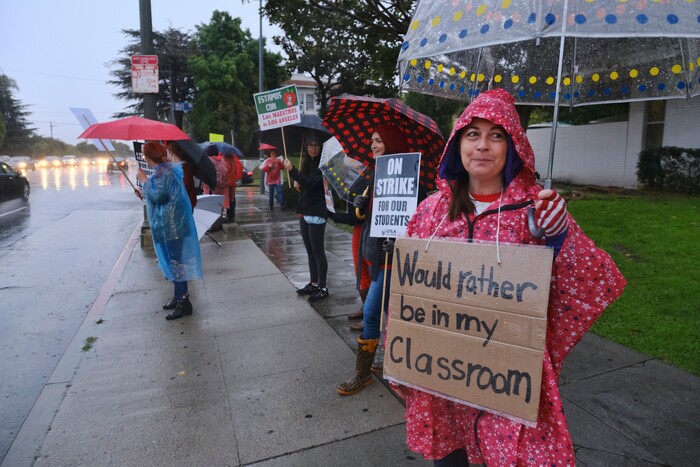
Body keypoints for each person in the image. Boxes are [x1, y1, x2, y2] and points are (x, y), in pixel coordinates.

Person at [396, 89, 626, 465]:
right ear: (458, 144)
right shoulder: (431, 212)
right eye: (473, 134)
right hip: (443, 378)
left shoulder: (536, 210)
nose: (482, 146)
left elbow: (592, 281)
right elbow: (408, 298)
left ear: (513, 146)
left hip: (504, 381)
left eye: (496, 135)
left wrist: (561, 239)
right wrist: (401, 354)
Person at [336, 124, 411, 395]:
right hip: (375, 257)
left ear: (391, 143)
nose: (373, 146)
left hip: (393, 260)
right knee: (385, 313)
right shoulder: (374, 175)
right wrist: (360, 206)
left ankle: (362, 373)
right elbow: (370, 219)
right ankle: (385, 362)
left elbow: (413, 218)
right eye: (371, 142)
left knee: (371, 312)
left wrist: (401, 238)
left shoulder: (408, 178)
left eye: (378, 141)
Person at [135, 142, 203, 321]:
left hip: (172, 226)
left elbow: (158, 196)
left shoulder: (163, 172)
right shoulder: (165, 171)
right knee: (175, 261)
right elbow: (158, 195)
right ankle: (178, 297)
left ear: (149, 157)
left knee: (176, 263)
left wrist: (143, 181)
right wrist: (144, 191)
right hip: (171, 224)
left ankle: (183, 301)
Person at [282, 135, 328, 303]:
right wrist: (297, 183)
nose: (313, 148)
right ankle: (314, 283)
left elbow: (311, 182)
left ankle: (323, 287)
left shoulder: (322, 165)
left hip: (317, 212)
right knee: (310, 251)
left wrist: (293, 171)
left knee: (318, 252)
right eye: (310, 145)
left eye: (316, 145)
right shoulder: (306, 163)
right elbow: (305, 183)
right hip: (304, 211)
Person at [165, 141, 197, 211]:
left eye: (167, 152)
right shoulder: (184, 168)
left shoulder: (182, 170)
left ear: (171, 152)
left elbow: (181, 190)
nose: (166, 155)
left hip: (182, 209)